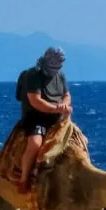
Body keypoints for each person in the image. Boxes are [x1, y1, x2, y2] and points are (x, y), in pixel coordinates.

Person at [15, 46, 72, 192]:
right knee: (35, 143)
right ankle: (24, 179)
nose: (56, 66)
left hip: (56, 117)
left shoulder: (60, 75)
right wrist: (56, 108)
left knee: (79, 140)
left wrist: (64, 105)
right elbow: (35, 101)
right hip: (35, 117)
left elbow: (66, 94)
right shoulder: (34, 74)